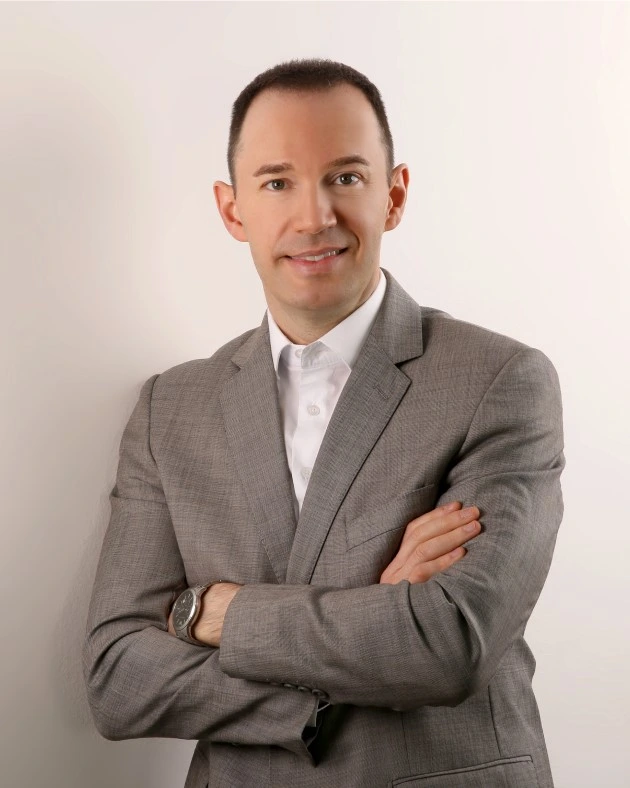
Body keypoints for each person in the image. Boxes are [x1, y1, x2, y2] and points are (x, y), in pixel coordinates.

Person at [83, 59, 565, 788]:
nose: (314, 217)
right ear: (232, 211)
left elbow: (448, 644)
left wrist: (215, 613)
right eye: (277, 183)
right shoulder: (169, 409)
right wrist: (364, 637)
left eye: (345, 177)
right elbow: (118, 678)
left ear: (393, 196)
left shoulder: (500, 381)